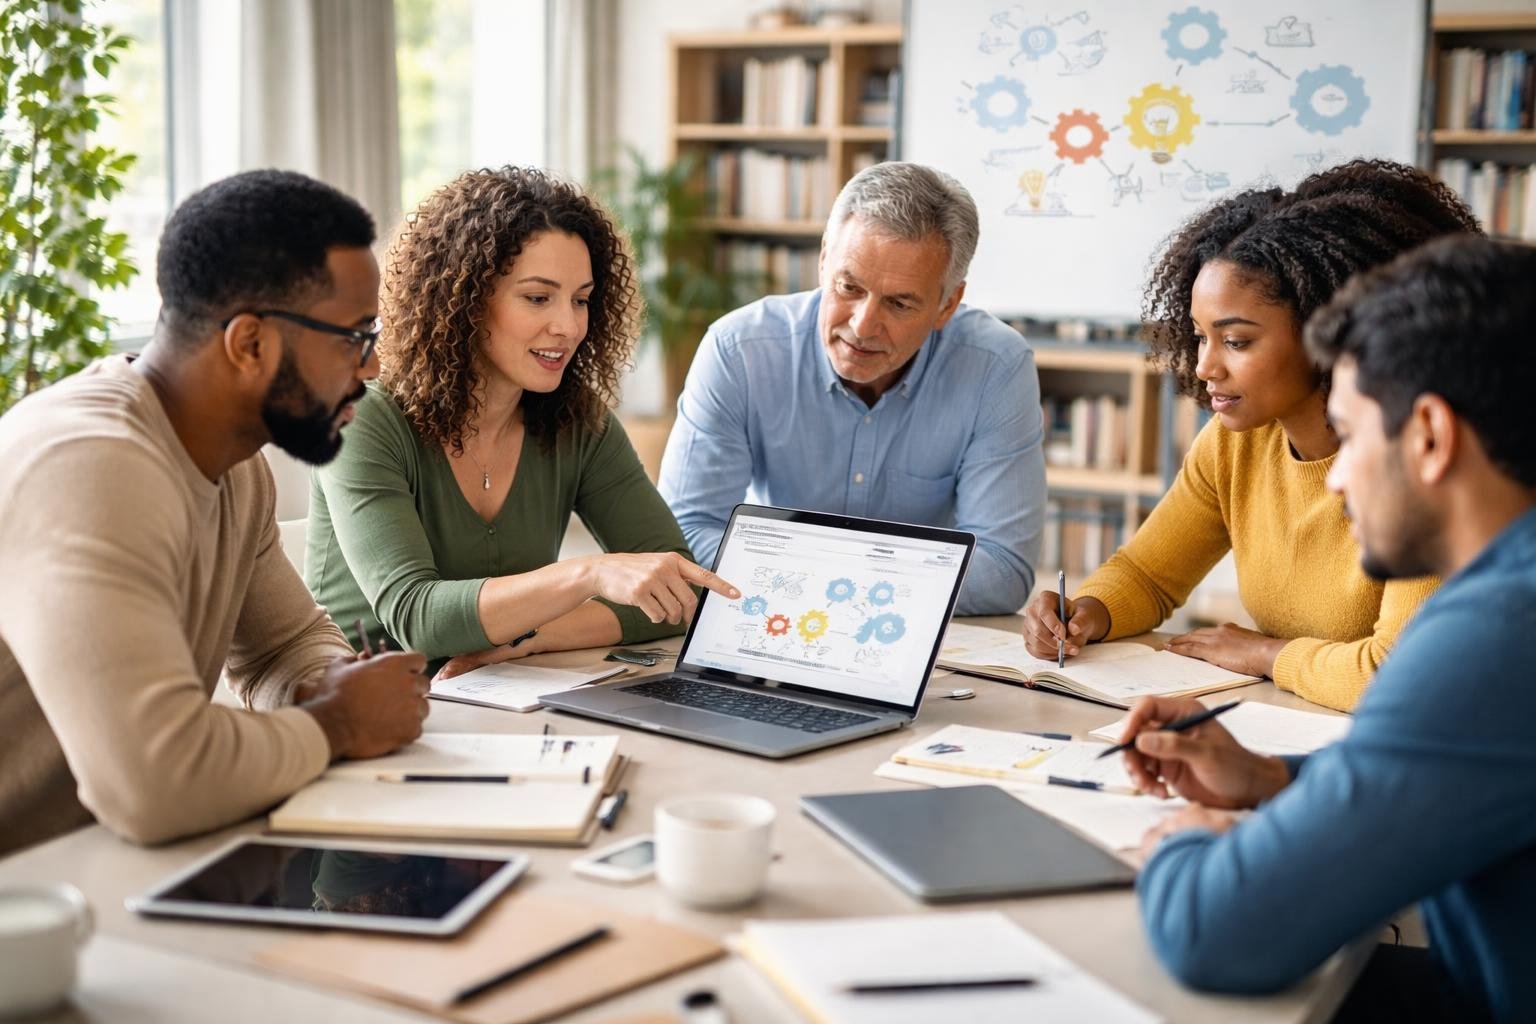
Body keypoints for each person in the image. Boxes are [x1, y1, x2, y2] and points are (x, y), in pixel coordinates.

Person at [1124, 236, 1536, 1023]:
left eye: (1350, 434)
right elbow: (1457, 777)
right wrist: (1276, 780)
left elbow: (1216, 931)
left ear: (1429, 436)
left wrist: (1178, 844)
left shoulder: (1496, 638)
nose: (1335, 475)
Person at [0, 170, 430, 856]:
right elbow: (152, 781)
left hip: (90, 875)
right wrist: (339, 724)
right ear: (250, 344)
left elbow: (283, 648)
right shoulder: (90, 464)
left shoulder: (237, 465)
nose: (373, 366)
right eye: (354, 336)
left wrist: (330, 682)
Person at [1022, 160, 1481, 711]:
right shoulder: (1235, 442)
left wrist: (1267, 655)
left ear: (1329, 332)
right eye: (1198, 337)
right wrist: (1086, 613)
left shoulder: (1422, 462)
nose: (1204, 367)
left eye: (1236, 341)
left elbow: (1393, 675)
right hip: (1292, 720)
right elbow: (1148, 572)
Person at [305, 167, 738, 677]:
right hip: (358, 709)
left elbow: (680, 589)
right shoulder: (361, 416)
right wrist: (589, 574)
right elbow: (416, 617)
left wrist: (530, 637)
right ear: (462, 300)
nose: (570, 326)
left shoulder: (579, 421)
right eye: (538, 297)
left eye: (581, 299)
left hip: (498, 693)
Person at [657, 161, 1046, 616]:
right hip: (772, 619)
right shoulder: (740, 349)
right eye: (849, 287)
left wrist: (803, 569)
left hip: (911, 640)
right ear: (824, 260)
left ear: (947, 305)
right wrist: (880, 574)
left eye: (899, 303)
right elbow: (686, 532)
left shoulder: (995, 368)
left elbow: (1002, 569)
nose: (862, 325)